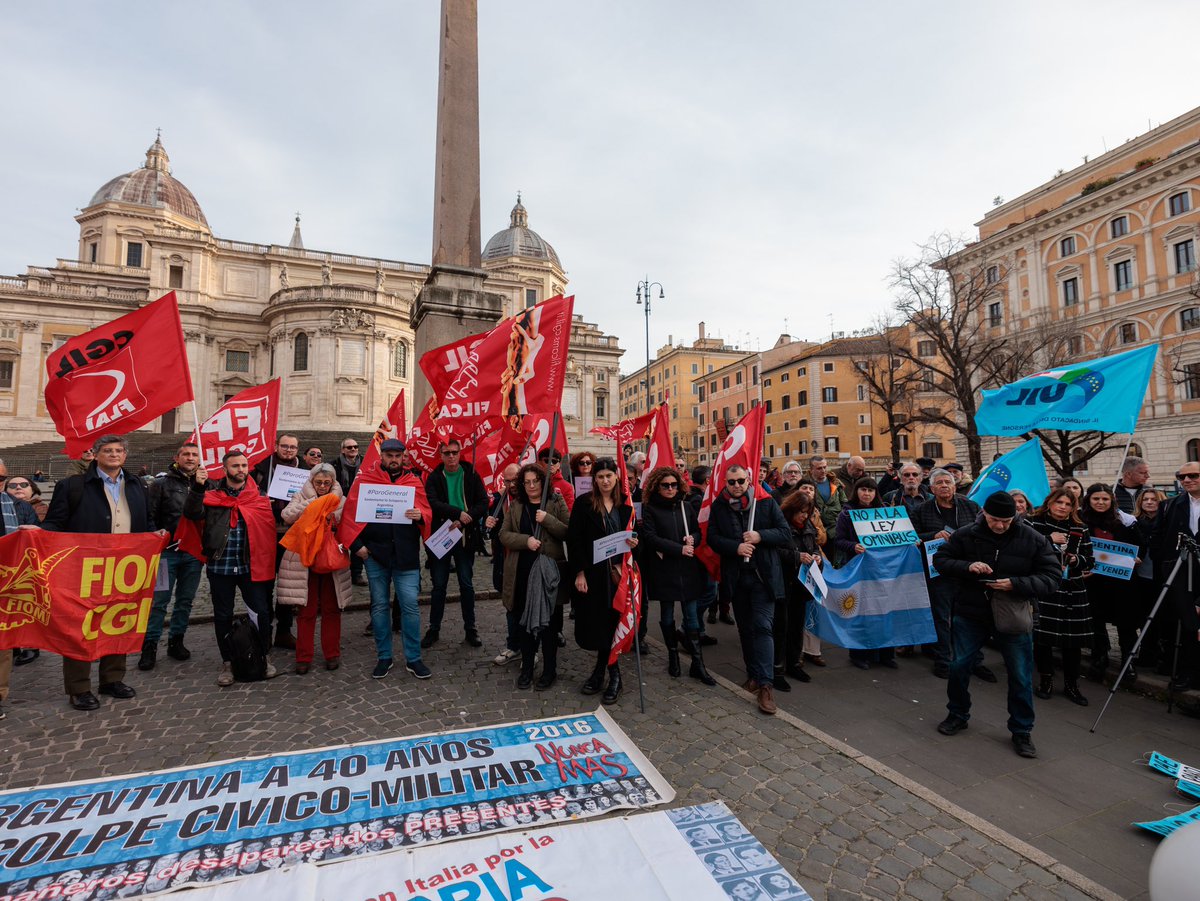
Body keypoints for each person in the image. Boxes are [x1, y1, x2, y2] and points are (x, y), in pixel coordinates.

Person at [933, 491, 1061, 759]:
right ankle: (957, 714)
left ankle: (1022, 730)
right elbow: (940, 561)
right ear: (984, 514)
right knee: (958, 666)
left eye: (1006, 520)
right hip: (971, 612)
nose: (1000, 525)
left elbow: (1051, 578)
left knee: (1020, 676)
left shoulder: (1033, 538)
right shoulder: (966, 533)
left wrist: (1015, 584)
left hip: (1012, 614)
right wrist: (968, 567)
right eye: (994, 520)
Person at [43, 436, 164, 710]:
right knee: (79, 627)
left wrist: (154, 533)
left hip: (125, 569)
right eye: (107, 451)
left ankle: (111, 679)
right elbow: (54, 522)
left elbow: (146, 521)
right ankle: (79, 688)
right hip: (84, 569)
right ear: (95, 455)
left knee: (119, 621)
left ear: (125, 455)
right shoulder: (71, 486)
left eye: (118, 450)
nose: (113, 454)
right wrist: (37, 533)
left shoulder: (138, 485)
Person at [183, 450, 279, 686]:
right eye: (235, 466)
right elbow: (192, 513)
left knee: (261, 613)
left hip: (250, 566)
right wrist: (197, 487)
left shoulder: (260, 497)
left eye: (244, 465)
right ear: (225, 469)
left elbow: (270, 526)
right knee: (222, 615)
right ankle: (228, 661)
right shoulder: (212, 495)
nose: (241, 470)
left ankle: (262, 657)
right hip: (221, 565)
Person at [706, 464, 790, 715]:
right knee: (746, 629)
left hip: (763, 578)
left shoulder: (765, 502)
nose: (736, 486)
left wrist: (759, 536)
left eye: (741, 481)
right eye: (731, 482)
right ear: (725, 482)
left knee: (763, 626)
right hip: (736, 578)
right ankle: (753, 675)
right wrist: (736, 548)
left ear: (749, 480)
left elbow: (784, 533)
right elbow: (712, 538)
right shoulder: (719, 506)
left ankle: (766, 685)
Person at [350, 439, 432, 680]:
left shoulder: (413, 482)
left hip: (406, 557)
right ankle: (384, 656)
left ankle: (414, 658)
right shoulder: (366, 481)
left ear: (403, 457)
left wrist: (420, 516)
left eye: (398, 455)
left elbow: (426, 511)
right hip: (376, 555)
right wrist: (358, 547)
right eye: (389, 455)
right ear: (382, 457)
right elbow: (350, 515)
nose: (393, 459)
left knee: (410, 606)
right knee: (379, 606)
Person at [567, 457, 637, 704]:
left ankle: (611, 675)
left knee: (613, 623)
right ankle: (603, 671)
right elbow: (573, 540)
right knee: (598, 625)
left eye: (609, 476)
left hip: (618, 575)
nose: (605, 480)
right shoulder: (583, 503)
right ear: (594, 480)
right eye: (600, 476)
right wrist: (579, 572)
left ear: (616, 477)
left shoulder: (625, 506)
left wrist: (634, 542)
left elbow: (634, 537)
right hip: (594, 575)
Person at [640, 465, 715, 685]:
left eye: (673, 485)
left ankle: (697, 663)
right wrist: (678, 548)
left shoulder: (686, 507)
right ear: (657, 487)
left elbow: (697, 532)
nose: (670, 489)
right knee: (666, 615)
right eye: (665, 485)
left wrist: (693, 539)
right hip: (665, 570)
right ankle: (672, 654)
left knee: (692, 616)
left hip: (688, 568)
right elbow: (651, 537)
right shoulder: (650, 509)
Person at [498, 463, 569, 690]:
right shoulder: (517, 505)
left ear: (542, 481)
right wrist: (525, 541)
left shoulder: (556, 502)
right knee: (525, 625)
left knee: (549, 628)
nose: (530, 486)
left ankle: (550, 671)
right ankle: (527, 668)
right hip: (523, 573)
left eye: (535, 481)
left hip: (550, 574)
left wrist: (547, 519)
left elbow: (568, 531)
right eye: (526, 482)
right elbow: (503, 535)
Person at [912, 469, 989, 681]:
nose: (944, 485)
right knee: (942, 618)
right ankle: (943, 660)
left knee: (970, 618)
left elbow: (984, 532)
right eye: (940, 483)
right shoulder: (922, 510)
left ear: (955, 486)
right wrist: (933, 535)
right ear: (932, 488)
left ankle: (975, 660)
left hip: (967, 570)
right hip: (939, 572)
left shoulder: (970, 506)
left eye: (948, 482)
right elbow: (912, 536)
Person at [140, 443, 206, 672]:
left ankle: (176, 640)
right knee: (159, 601)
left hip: (193, 553)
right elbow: (149, 515)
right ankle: (149, 646)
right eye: (186, 454)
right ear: (176, 458)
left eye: (194, 455)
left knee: (185, 600)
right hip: (166, 551)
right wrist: (155, 534)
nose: (190, 458)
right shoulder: (160, 484)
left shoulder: (207, 484)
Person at [278, 464, 351, 673]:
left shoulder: (340, 499)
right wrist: (315, 504)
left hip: (330, 560)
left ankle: (332, 654)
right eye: (318, 482)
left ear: (333, 482)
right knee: (306, 611)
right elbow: (287, 515)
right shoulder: (301, 495)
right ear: (311, 481)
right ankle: (303, 656)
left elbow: (346, 522)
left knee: (331, 610)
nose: (322, 486)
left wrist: (331, 515)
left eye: (326, 483)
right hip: (304, 561)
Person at [1026, 488, 1094, 706]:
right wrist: (1049, 539)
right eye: (1059, 502)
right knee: (1043, 638)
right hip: (1045, 587)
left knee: (1072, 642)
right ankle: (1046, 679)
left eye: (1068, 504)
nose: (1063, 507)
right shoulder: (1033, 523)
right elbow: (1023, 550)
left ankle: (1072, 684)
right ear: (1050, 503)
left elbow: (1090, 560)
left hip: (1072, 589)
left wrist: (1076, 561)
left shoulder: (1080, 528)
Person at [422, 438, 487, 649]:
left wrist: (467, 517)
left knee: (466, 584)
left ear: (460, 453)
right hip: (442, 535)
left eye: (454, 452)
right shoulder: (434, 477)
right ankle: (434, 628)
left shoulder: (472, 474)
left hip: (465, 537)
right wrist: (457, 514)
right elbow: (432, 502)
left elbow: (483, 502)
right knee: (439, 585)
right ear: (441, 455)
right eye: (447, 453)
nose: (451, 456)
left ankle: (471, 629)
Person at [1081, 483, 1143, 683]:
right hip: (1093, 581)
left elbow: (1140, 545)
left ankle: (1128, 660)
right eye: (1096, 499)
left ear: (1112, 501)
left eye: (1105, 499)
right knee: (1096, 620)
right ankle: (1100, 656)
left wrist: (1137, 557)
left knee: (1126, 622)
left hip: (1121, 582)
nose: (1100, 502)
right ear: (1089, 500)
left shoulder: (1124, 522)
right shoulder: (1080, 522)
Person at [833, 477, 897, 671]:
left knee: (885, 610)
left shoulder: (884, 511)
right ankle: (859, 654)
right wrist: (854, 546)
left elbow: (895, 535)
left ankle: (886, 654)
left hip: (882, 569)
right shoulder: (847, 513)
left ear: (875, 493)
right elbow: (838, 540)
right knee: (861, 612)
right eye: (863, 490)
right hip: (858, 568)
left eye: (871, 490)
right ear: (857, 492)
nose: (867, 494)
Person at [251, 434, 306, 650]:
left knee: (287, 585)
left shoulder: (304, 470)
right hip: (266, 533)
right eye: (284, 446)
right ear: (276, 446)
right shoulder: (260, 467)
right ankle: (264, 632)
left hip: (291, 534)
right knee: (265, 584)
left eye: (293, 447)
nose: (289, 450)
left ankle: (284, 631)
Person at [0, 456, 41, 718]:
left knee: (2, 646)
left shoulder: (19, 506)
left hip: (7, 583)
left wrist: (36, 532)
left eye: (0, 478)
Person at [777, 483, 825, 687]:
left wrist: (816, 557)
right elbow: (775, 552)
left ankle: (794, 663)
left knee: (797, 626)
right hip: (783, 583)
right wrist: (797, 556)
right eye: (801, 513)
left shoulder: (808, 528)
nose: (804, 517)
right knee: (781, 626)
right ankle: (777, 667)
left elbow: (814, 547)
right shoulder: (781, 527)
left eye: (807, 513)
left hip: (802, 585)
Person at [488, 464, 523, 665]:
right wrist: (489, 524)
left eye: (514, 479)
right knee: (510, 606)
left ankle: (529, 647)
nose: (511, 485)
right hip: (505, 561)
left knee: (526, 605)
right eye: (507, 481)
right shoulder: (500, 500)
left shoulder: (531, 499)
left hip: (525, 560)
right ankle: (513, 645)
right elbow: (493, 534)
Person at [1132, 488, 1167, 670]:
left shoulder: (1167, 522)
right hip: (1141, 577)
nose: (1149, 502)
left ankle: (1162, 655)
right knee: (1144, 618)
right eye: (1145, 499)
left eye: (1154, 499)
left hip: (1161, 577)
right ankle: (1147, 653)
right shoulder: (1135, 523)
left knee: (1161, 619)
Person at [332, 437, 365, 584]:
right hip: (341, 506)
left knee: (358, 539)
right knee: (341, 539)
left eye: (355, 447)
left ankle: (356, 573)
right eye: (349, 447)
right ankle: (341, 572)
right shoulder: (334, 464)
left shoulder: (366, 462)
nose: (353, 449)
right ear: (342, 450)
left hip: (360, 506)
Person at [808, 456, 846, 560]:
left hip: (836, 529)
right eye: (819, 468)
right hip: (817, 531)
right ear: (811, 470)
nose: (823, 470)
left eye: (825, 467)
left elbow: (845, 504)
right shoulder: (806, 486)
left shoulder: (836, 483)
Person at [538, 447, 576, 511]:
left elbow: (569, 511)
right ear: (539, 462)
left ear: (559, 465)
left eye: (554, 461)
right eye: (547, 460)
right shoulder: (532, 482)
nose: (551, 464)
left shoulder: (567, 487)